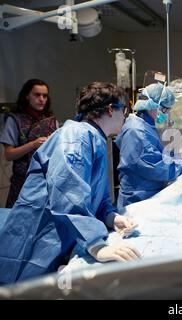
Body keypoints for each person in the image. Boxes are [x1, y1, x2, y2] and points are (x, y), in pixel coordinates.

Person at [0, 82, 140, 285]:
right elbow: (67, 193)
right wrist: (96, 245)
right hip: (38, 235)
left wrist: (111, 217)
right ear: (111, 109)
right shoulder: (76, 136)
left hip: (61, 236)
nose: (125, 117)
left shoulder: (96, 139)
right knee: (20, 286)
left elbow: (96, 196)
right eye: (124, 110)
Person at [116, 82, 182, 210]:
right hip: (138, 200)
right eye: (165, 109)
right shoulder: (136, 131)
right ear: (151, 105)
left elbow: (157, 153)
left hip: (146, 193)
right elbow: (155, 165)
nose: (166, 114)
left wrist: (180, 159)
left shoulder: (144, 125)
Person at [0, 79, 59, 208]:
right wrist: (33, 145)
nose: (42, 99)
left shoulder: (51, 121)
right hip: (22, 183)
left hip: (47, 182)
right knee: (18, 222)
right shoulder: (15, 120)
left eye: (44, 95)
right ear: (27, 96)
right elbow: (8, 154)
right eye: (37, 95)